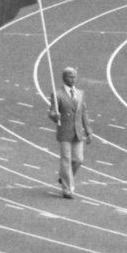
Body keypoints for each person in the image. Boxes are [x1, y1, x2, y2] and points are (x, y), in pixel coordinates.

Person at [48, 67, 92, 199]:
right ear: (64, 78)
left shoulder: (80, 93)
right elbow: (51, 112)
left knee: (79, 159)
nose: (73, 79)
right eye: (70, 77)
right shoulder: (58, 94)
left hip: (78, 132)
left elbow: (84, 112)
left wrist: (88, 131)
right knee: (66, 160)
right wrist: (55, 115)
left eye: (74, 77)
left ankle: (65, 176)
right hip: (64, 132)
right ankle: (67, 188)